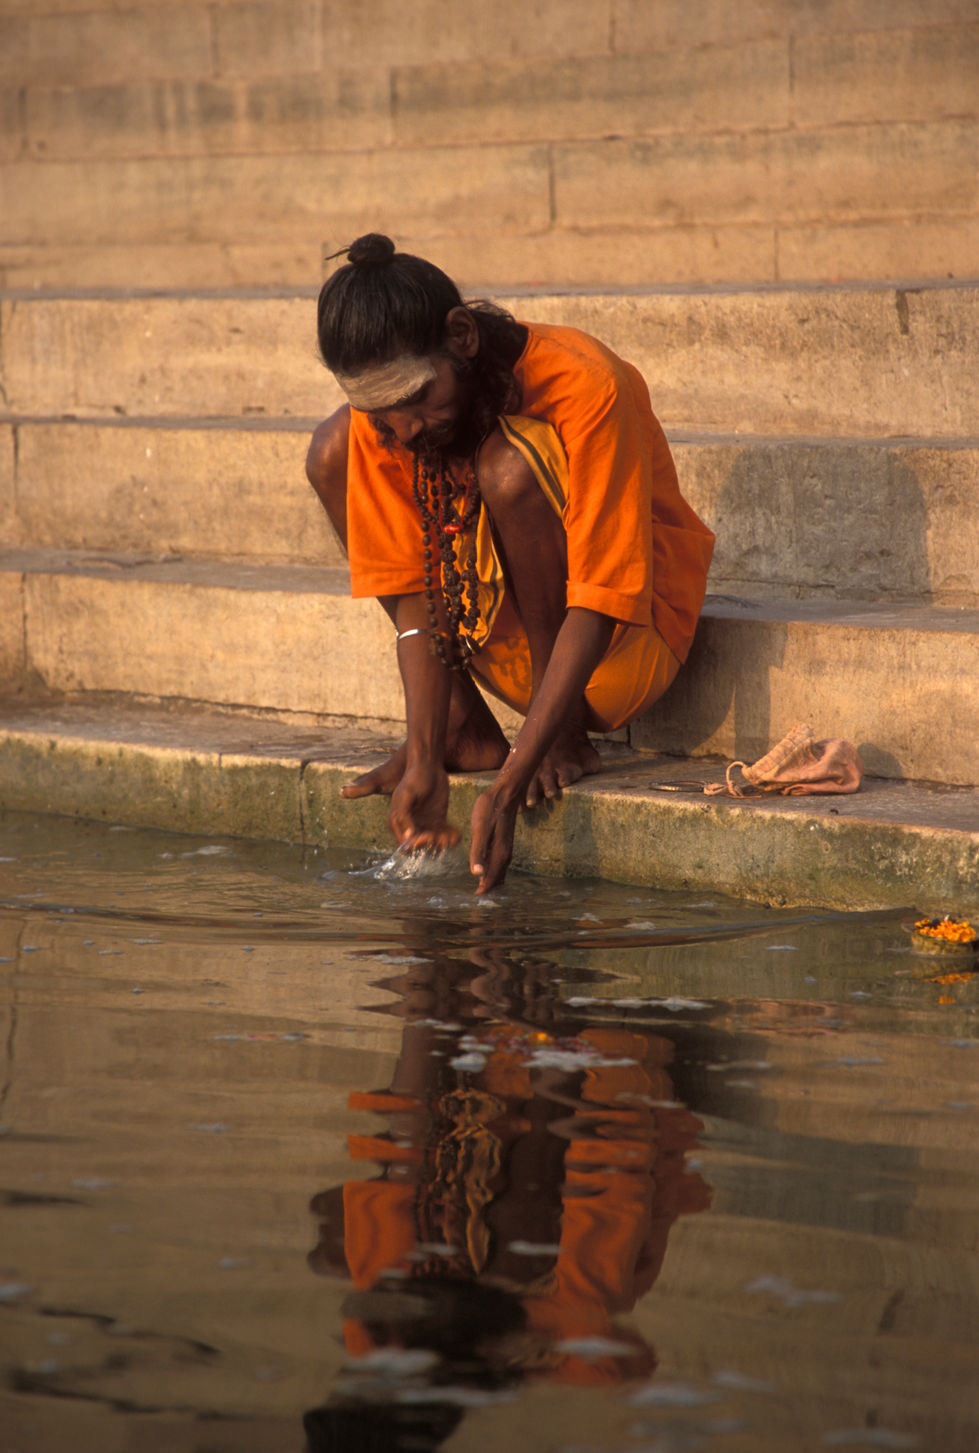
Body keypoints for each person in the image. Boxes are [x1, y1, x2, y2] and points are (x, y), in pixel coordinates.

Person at [306, 233, 714, 893]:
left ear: (461, 336)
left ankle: (561, 728)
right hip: (499, 645)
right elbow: (413, 597)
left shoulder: (586, 381)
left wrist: (518, 772)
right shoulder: (390, 421)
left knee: (508, 465)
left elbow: (605, 591)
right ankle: (464, 728)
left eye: (418, 399)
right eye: (385, 417)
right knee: (332, 449)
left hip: (619, 648)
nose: (406, 430)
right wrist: (424, 746)